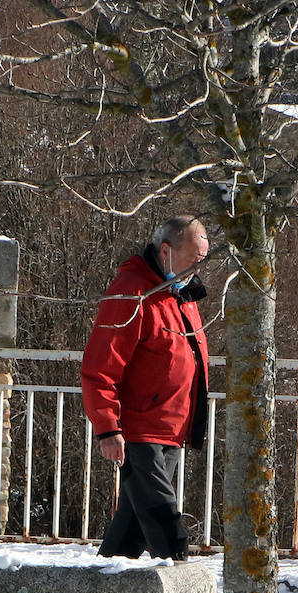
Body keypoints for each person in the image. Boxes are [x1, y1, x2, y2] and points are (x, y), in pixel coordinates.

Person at [80, 215, 210, 561]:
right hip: (139, 429)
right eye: (193, 259)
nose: (197, 269)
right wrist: (108, 428)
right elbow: (99, 367)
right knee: (163, 519)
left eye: (202, 260)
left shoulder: (180, 296)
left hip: (171, 428)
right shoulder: (133, 291)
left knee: (132, 527)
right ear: (165, 250)